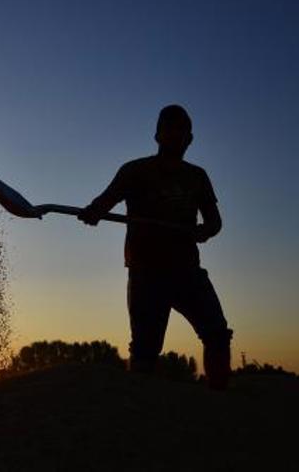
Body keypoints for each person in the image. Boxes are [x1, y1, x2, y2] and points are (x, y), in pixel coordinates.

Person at [77, 105, 232, 390]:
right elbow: (105, 201)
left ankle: (219, 398)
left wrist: (204, 231)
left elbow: (215, 221)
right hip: (146, 271)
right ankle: (140, 410)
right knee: (145, 351)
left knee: (217, 334)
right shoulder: (135, 171)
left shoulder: (197, 177)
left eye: (180, 130)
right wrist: (93, 212)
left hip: (187, 271)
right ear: (157, 135)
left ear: (190, 138)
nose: (174, 135)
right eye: (168, 129)